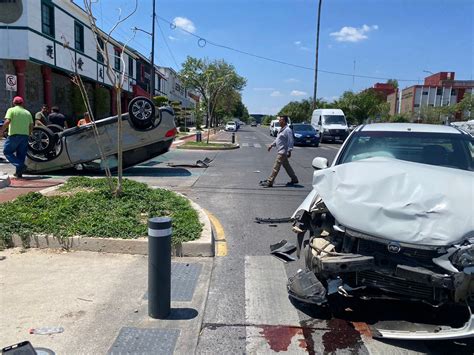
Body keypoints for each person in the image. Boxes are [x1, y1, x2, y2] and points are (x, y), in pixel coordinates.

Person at [260, 116, 298, 188]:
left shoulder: (288, 130)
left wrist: (289, 150)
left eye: (280, 120)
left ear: (284, 121)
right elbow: (278, 139)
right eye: (279, 120)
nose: (279, 121)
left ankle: (270, 181)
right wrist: (271, 145)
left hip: (283, 152)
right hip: (281, 150)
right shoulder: (281, 129)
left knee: (276, 167)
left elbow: (291, 141)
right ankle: (294, 179)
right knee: (287, 166)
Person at [0, 96, 33, 178]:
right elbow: (31, 125)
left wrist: (1, 131)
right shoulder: (27, 112)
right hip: (24, 136)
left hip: (14, 135)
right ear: (22, 103)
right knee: (21, 154)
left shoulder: (11, 110)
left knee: (7, 152)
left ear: (14, 103)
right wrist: (29, 134)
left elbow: (7, 121)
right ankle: (19, 173)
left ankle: (20, 165)